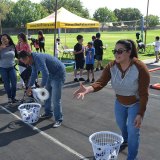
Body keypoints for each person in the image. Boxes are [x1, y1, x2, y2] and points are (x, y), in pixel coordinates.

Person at [74, 39, 150, 160]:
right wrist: (87, 89)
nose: (116, 54)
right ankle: (124, 139)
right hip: (119, 102)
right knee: (121, 124)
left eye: (120, 51)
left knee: (133, 132)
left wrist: (140, 113)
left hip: (135, 103)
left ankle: (131, 157)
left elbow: (144, 94)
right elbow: (100, 82)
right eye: (115, 51)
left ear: (129, 52)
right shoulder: (111, 66)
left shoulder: (140, 68)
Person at [18, 51, 66, 128]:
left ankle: (58, 119)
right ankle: (48, 113)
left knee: (55, 99)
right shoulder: (32, 61)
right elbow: (34, 74)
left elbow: (45, 73)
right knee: (46, 95)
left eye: (23, 60)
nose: (23, 63)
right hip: (51, 74)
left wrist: (41, 86)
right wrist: (29, 87)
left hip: (59, 74)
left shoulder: (38, 58)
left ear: (27, 57)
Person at [0, 34, 18, 103]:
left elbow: (17, 55)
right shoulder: (0, 47)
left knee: (14, 84)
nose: (3, 40)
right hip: (3, 68)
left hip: (12, 67)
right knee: (7, 84)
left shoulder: (13, 46)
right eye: (2, 39)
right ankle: (9, 98)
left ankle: (13, 97)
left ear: (8, 39)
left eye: (5, 39)